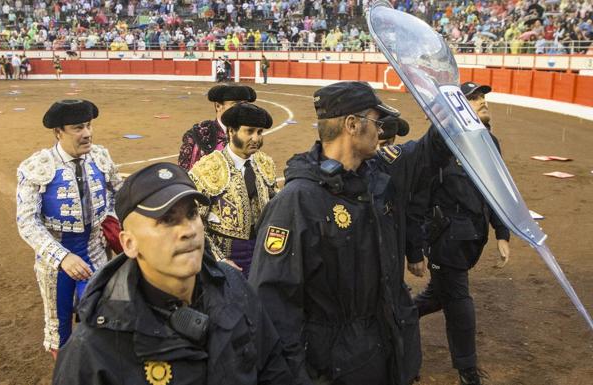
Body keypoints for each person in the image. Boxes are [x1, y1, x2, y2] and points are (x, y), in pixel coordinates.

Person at [249, 81, 450, 385]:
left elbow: (427, 152)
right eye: (376, 121)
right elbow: (272, 304)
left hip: (389, 353)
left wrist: (449, 110)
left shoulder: (379, 177)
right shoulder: (299, 201)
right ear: (352, 125)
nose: (381, 131)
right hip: (336, 367)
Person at [52, 162, 292, 385]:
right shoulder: (93, 348)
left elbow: (271, 363)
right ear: (129, 244)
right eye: (167, 220)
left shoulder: (234, 286)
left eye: (191, 214)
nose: (188, 230)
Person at [412, 82, 511, 385]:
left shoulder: (490, 142)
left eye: (483, 97)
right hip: (445, 239)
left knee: (438, 297)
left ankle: (397, 315)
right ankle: (467, 371)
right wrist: (417, 247)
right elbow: (419, 198)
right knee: (459, 302)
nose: (483, 102)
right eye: (474, 98)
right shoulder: (437, 146)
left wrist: (502, 232)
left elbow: (495, 190)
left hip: (472, 237)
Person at [16, 99, 122, 357]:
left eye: (88, 126)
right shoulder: (37, 166)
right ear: (58, 132)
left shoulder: (100, 156)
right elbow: (27, 222)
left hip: (96, 253)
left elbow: (119, 194)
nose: (87, 133)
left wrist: (110, 216)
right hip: (56, 263)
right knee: (59, 330)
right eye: (77, 128)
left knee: (101, 319)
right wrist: (62, 257)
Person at [189, 103, 278, 277]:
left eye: (260, 132)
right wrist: (218, 260)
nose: (256, 138)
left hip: (263, 253)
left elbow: (276, 212)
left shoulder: (265, 163)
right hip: (226, 256)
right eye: (249, 131)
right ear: (231, 131)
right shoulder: (208, 168)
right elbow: (194, 224)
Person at [177, 84, 257, 170]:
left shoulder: (251, 134)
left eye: (245, 104)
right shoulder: (198, 135)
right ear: (218, 106)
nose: (242, 109)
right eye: (235, 104)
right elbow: (184, 174)